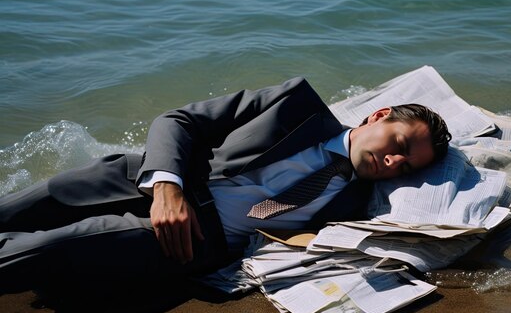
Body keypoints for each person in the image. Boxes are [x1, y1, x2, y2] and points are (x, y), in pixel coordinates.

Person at [0, 77, 451, 295]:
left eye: (405, 165)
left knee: (48, 248)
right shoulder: (292, 104)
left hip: (189, 237)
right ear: (377, 116)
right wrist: (168, 189)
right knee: (23, 206)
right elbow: (178, 120)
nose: (393, 161)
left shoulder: (358, 205)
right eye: (397, 144)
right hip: (144, 176)